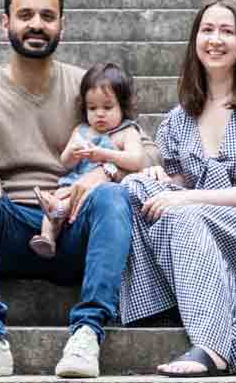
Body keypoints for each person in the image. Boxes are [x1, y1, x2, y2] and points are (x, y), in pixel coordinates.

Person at [0, 0, 150, 380]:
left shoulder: (88, 87)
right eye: (25, 15)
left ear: (61, 25)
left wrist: (104, 172)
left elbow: (147, 152)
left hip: (76, 227)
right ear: (5, 24)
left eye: (47, 16)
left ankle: (88, 331)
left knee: (113, 197)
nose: (36, 24)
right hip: (13, 228)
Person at [120, 0, 236, 375]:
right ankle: (177, 300)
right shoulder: (179, 119)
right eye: (207, 30)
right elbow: (178, 183)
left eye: (227, 31)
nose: (215, 40)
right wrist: (161, 181)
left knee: (183, 216)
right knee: (133, 188)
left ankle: (213, 348)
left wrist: (184, 198)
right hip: (199, 230)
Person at [30, 62, 149, 257]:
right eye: (92, 108)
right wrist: (72, 153)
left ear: (123, 106)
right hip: (73, 182)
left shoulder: (127, 132)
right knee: (59, 194)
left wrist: (104, 155)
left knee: (65, 202)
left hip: (102, 192)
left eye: (108, 107)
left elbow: (136, 161)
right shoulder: (81, 131)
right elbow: (64, 163)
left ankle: (58, 210)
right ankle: (47, 238)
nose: (100, 114)